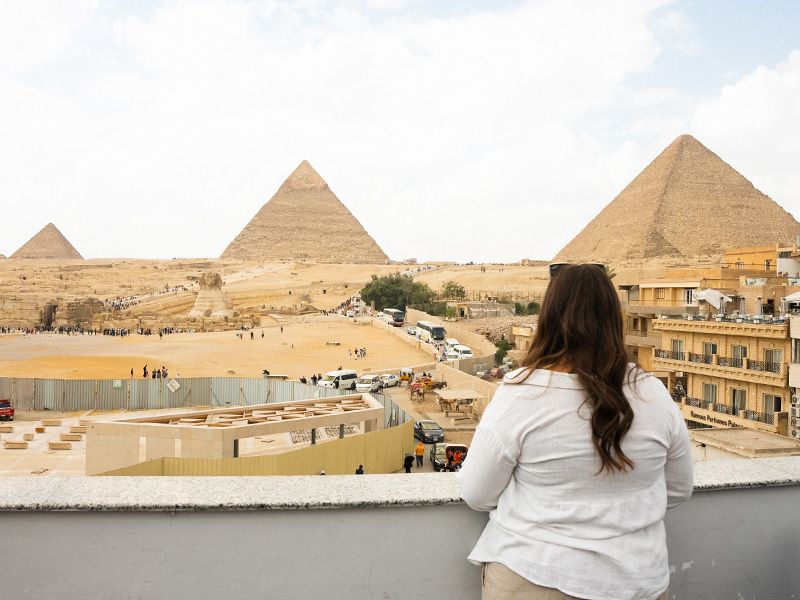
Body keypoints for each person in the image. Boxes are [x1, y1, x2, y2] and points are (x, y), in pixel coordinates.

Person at [458, 264, 693, 600]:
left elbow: (477, 493)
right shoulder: (654, 393)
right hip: (638, 582)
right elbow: (680, 489)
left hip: (536, 577)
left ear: (549, 316)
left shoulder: (522, 392)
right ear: (614, 317)